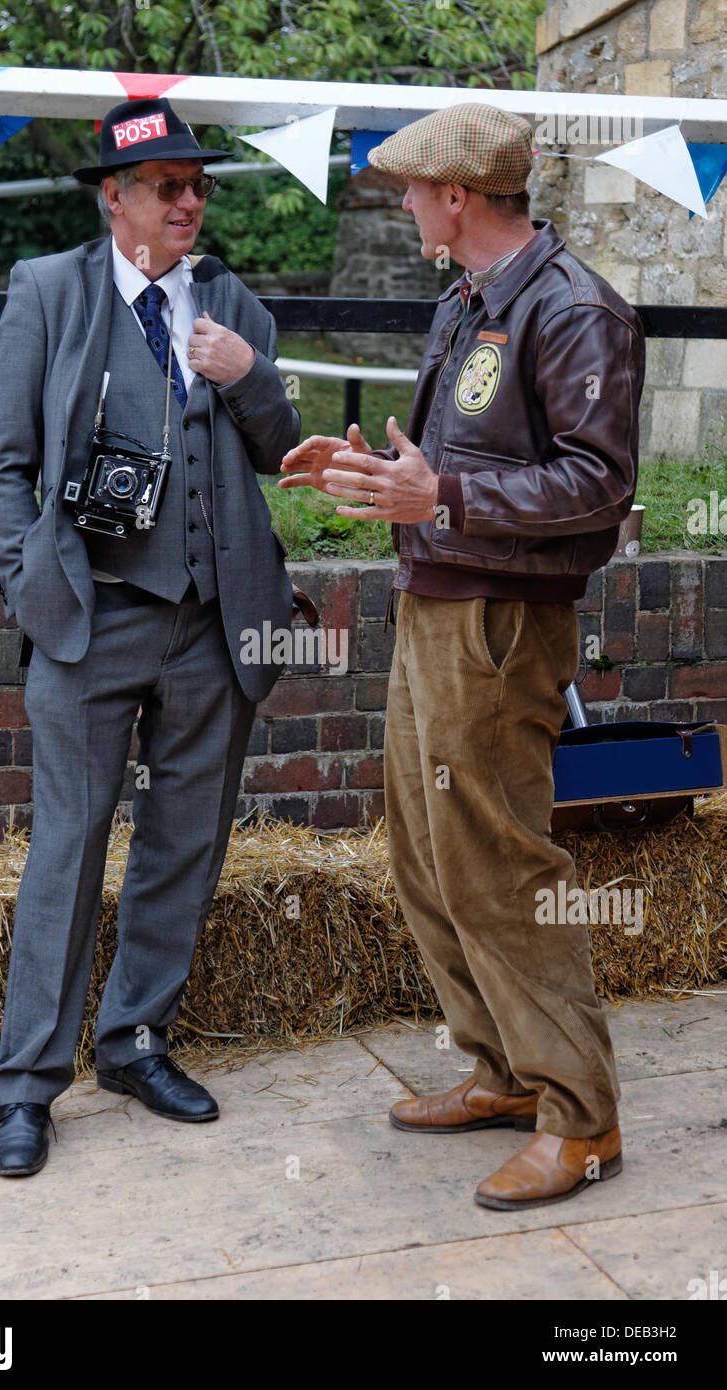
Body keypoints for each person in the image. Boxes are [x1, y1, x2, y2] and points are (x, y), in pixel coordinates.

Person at [280, 103, 644, 1211]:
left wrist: (442, 495)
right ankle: (498, 1072)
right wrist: (356, 469)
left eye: (409, 189)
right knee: (431, 856)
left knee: (499, 864)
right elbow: (436, 467)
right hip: (437, 602)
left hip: (499, 623)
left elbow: (598, 484)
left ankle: (580, 1120)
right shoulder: (469, 304)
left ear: (455, 195)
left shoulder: (576, 310)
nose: (400, 206)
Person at [0, 97, 300, 1177]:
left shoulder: (228, 301)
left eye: (195, 184)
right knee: (66, 850)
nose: (188, 201)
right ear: (114, 198)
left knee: (184, 841)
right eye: (166, 185)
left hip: (212, 620)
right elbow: (1, 463)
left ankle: (134, 1040)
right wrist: (31, 586)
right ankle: (26, 1086)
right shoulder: (48, 293)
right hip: (89, 619)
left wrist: (243, 377)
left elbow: (281, 445)